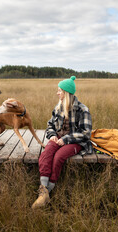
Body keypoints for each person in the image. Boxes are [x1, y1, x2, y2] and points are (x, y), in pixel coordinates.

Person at [32, 76, 93, 209]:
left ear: (66, 93)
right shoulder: (58, 107)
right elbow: (49, 125)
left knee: (59, 157)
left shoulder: (82, 110)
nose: (57, 93)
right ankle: (43, 192)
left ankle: (49, 190)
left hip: (75, 142)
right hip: (58, 138)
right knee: (46, 154)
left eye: (59, 90)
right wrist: (52, 135)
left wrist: (65, 139)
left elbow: (86, 133)